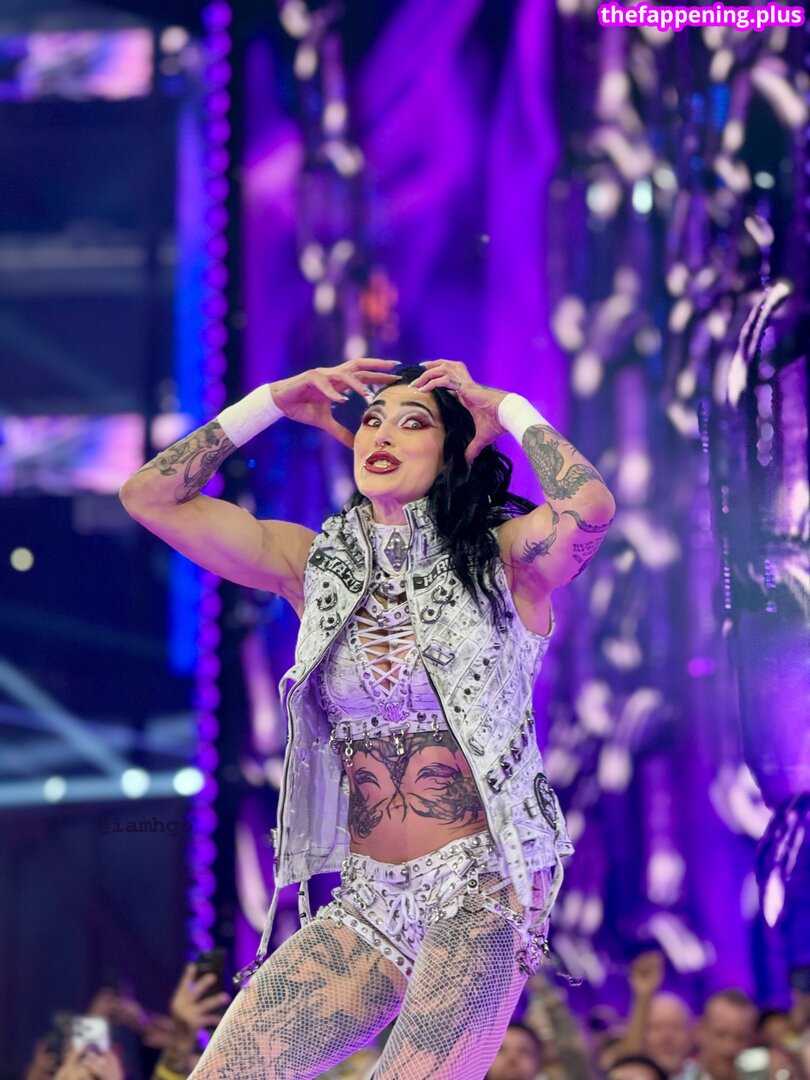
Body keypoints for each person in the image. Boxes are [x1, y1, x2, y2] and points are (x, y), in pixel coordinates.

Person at [119, 356, 616, 1079]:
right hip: (369, 898)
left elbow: (589, 507)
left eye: (413, 423)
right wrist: (270, 402)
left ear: (454, 451)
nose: (380, 434)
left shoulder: (506, 561)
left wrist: (505, 407)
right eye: (372, 419)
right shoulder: (314, 564)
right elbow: (149, 497)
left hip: (485, 885)